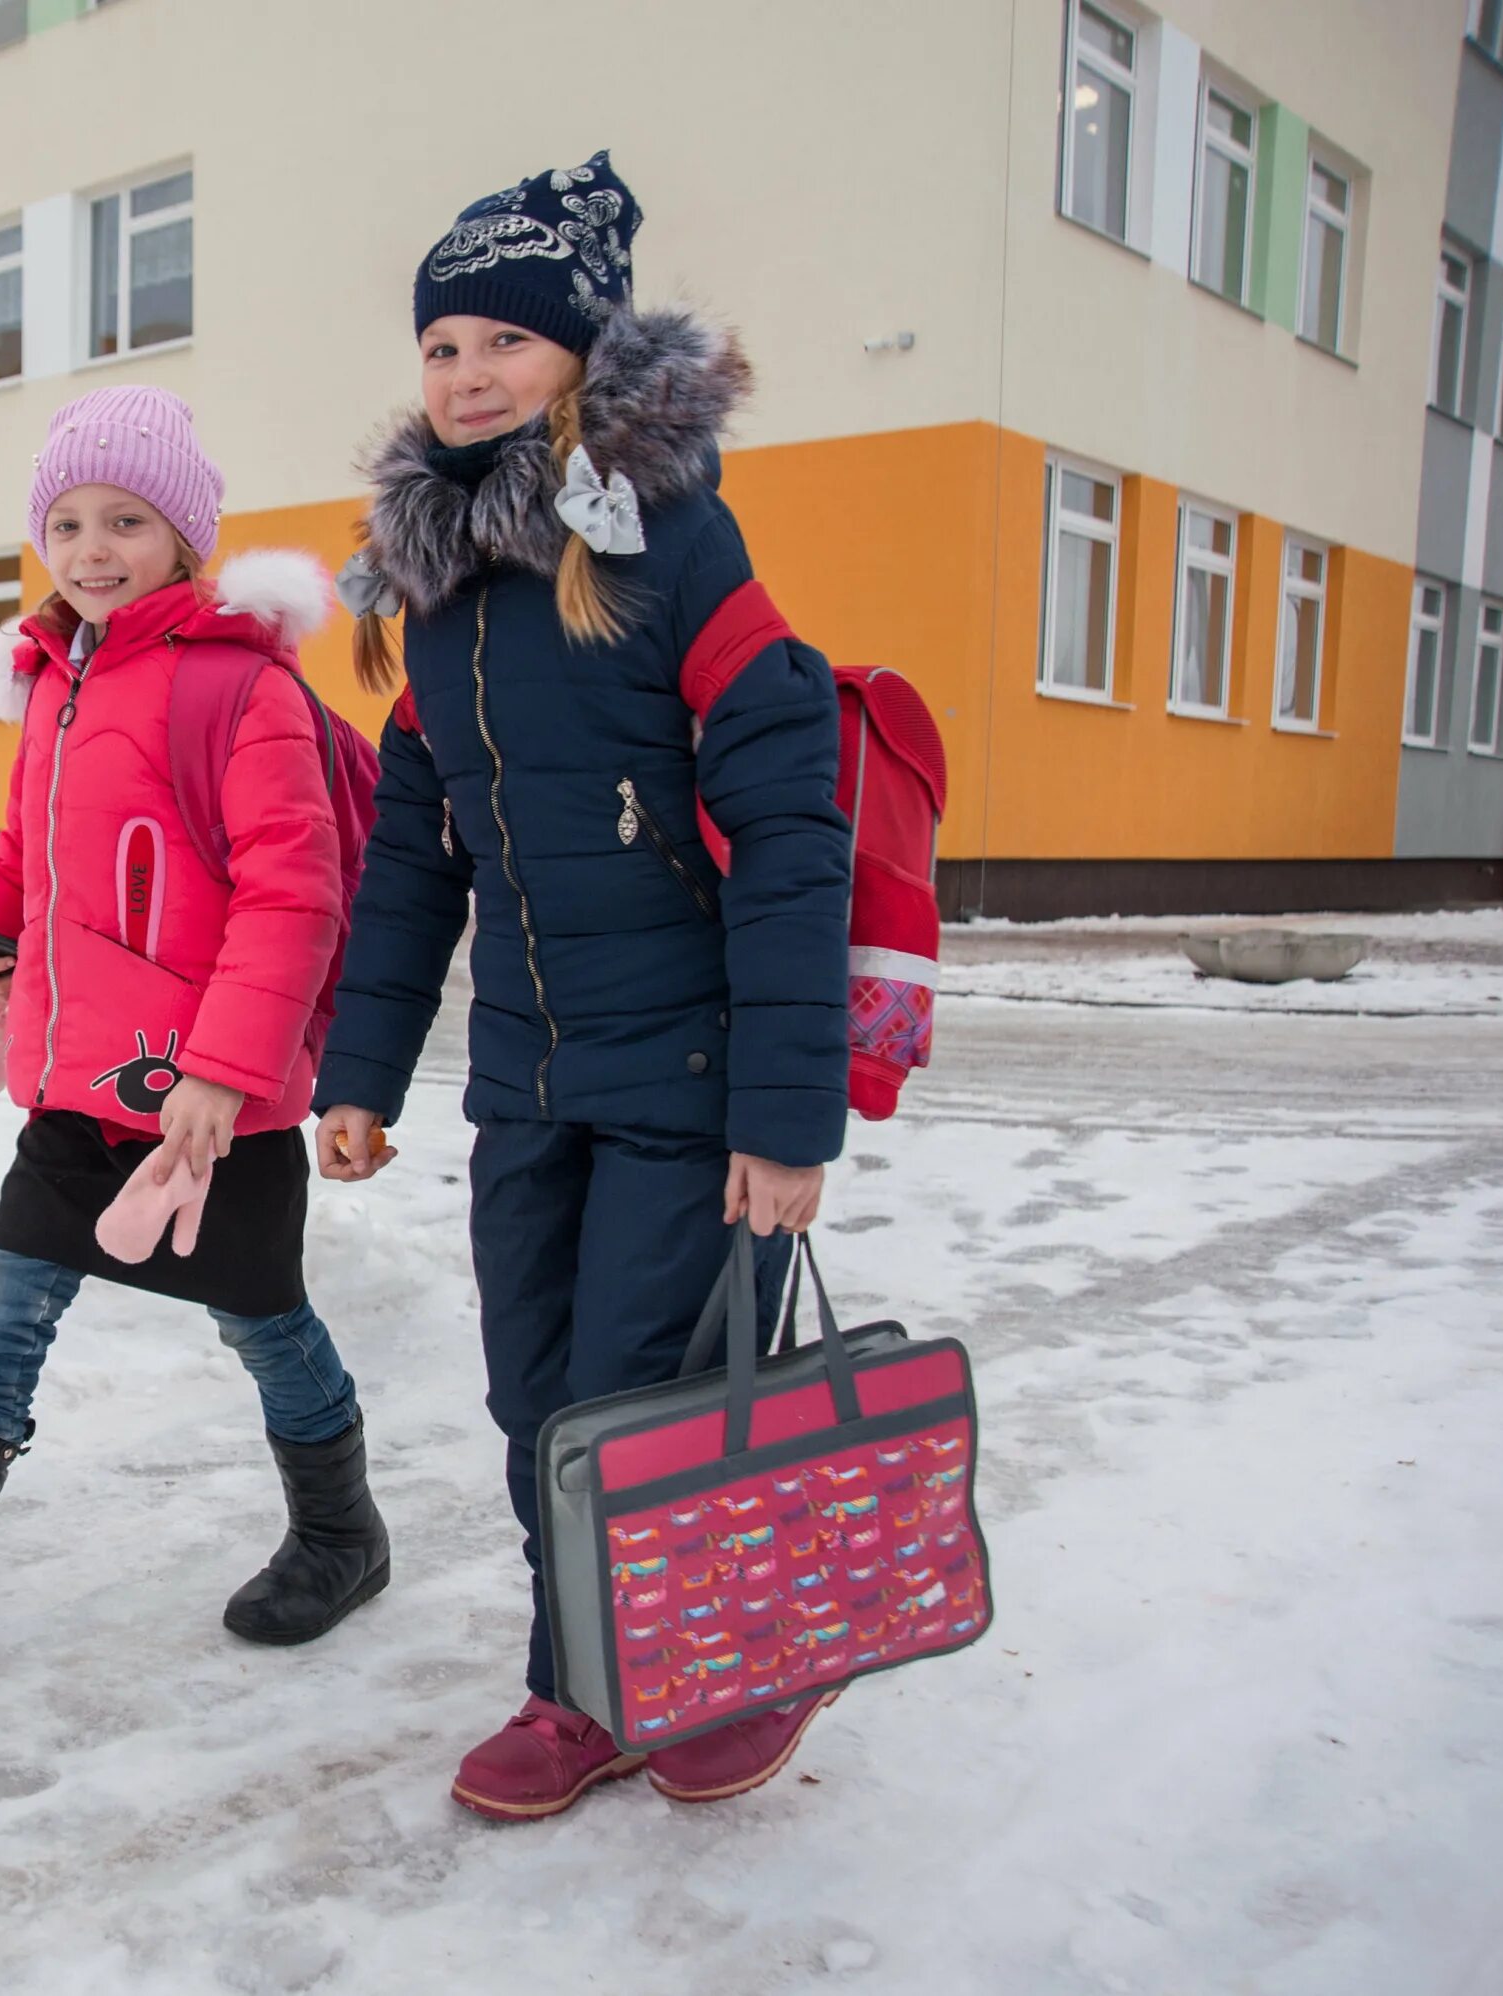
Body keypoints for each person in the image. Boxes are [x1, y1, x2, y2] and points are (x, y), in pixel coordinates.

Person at [314, 151, 853, 1815]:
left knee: (640, 1398)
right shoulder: (445, 589)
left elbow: (788, 832)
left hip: (693, 1083)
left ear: (584, 354)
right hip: (533, 1078)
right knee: (537, 1398)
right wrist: (361, 1072)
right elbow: (416, 858)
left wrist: (787, 1116)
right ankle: (622, 1677)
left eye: (504, 341)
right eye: (440, 346)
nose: (466, 373)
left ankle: (646, 1681)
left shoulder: (675, 545)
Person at [0, 385, 390, 1659]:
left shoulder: (235, 689)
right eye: (66, 520)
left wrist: (223, 1071)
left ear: (184, 538)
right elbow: (28, 853)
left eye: (127, 520)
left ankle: (341, 1534)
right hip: (78, 1077)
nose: (93, 548)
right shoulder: (54, 679)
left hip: (207, 1092)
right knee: (3, 1298)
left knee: (262, 1319)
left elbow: (293, 890)